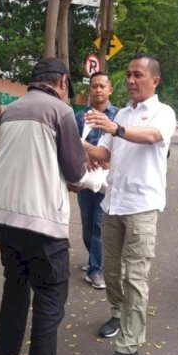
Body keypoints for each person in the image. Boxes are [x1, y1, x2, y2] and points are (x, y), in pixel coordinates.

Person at [0, 57, 87, 355]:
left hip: (1, 218)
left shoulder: (9, 111)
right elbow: (77, 174)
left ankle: (8, 352)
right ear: (62, 82)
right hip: (41, 223)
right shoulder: (61, 111)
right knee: (50, 299)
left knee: (15, 286)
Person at [83, 54, 176, 355]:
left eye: (138, 75)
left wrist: (114, 128)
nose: (132, 80)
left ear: (155, 80)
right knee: (111, 272)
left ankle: (129, 345)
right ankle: (117, 313)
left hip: (142, 207)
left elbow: (151, 137)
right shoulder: (121, 113)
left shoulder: (163, 112)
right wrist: (79, 142)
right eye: (129, 75)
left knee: (134, 278)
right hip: (113, 204)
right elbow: (103, 154)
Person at [75, 71, 118, 290]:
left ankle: (96, 269)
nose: (98, 90)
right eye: (94, 86)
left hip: (107, 183)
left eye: (102, 86)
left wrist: (110, 162)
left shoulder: (119, 117)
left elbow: (125, 148)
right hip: (86, 181)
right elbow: (71, 145)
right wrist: (84, 157)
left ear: (110, 89)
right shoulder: (80, 117)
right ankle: (94, 257)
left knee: (99, 225)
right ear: (90, 90)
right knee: (87, 227)